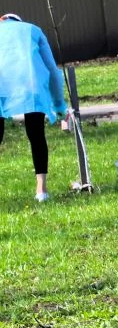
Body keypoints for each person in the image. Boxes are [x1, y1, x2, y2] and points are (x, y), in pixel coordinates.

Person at [0, 14, 67, 202]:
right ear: (19, 22)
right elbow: (53, 71)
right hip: (31, 85)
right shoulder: (33, 30)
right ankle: (41, 191)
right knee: (36, 135)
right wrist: (59, 106)